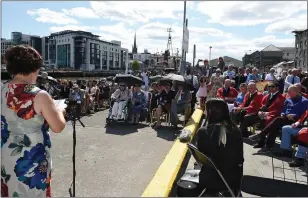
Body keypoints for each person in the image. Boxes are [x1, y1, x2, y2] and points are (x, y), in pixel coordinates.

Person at [1, 45, 66, 197]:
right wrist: (60, 111)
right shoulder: (40, 95)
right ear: (34, 67)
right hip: (30, 159)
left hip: (5, 153)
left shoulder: (2, 89)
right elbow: (58, 127)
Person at [196, 98, 243, 196]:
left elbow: (201, 158)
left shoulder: (203, 132)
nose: (204, 112)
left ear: (211, 112)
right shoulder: (235, 131)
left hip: (208, 179)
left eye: (206, 109)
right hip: (230, 180)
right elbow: (240, 160)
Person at [250, 85, 308, 152]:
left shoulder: (304, 101)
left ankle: (262, 136)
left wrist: (294, 115)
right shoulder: (288, 99)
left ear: (297, 92)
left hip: (295, 120)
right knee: (274, 124)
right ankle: (267, 145)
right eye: (288, 92)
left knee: (277, 121)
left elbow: (304, 114)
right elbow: (283, 109)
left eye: (290, 92)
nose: (288, 94)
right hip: (285, 118)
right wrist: (283, 114)